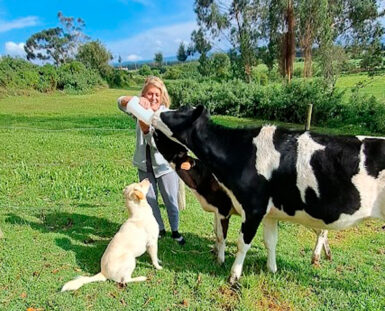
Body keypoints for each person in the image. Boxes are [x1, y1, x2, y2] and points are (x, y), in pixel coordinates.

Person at [117, 76, 185, 245]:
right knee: (150, 200)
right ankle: (159, 229)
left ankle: (175, 231)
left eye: (157, 94)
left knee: (170, 199)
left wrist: (146, 130)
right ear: (144, 95)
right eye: (149, 94)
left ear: (162, 96)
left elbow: (156, 144)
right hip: (144, 164)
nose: (153, 98)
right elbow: (119, 102)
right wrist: (134, 101)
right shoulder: (139, 109)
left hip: (165, 165)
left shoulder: (167, 116)